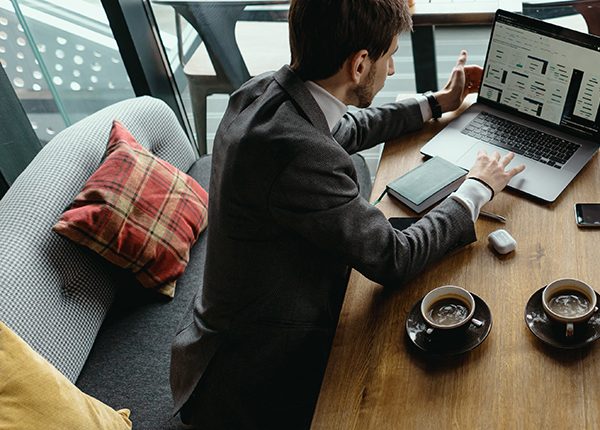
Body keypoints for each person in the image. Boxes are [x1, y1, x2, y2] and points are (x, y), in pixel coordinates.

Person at [170, 0, 525, 428]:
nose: (392, 70)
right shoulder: (296, 153)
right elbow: (393, 259)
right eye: (390, 55)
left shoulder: (265, 91)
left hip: (237, 323)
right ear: (359, 65)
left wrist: (438, 102)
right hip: (255, 371)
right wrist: (477, 189)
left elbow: (346, 129)